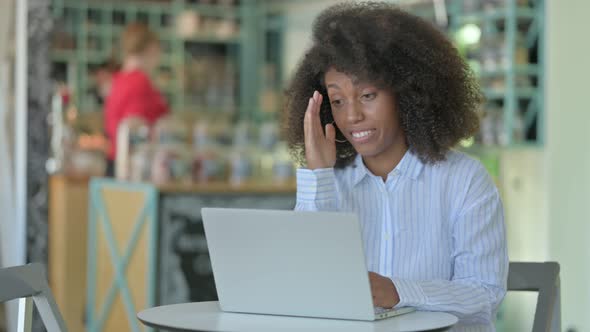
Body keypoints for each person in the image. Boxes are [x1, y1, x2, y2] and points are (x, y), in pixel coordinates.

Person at [284, 3, 508, 331]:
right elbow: (302, 287)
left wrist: (398, 291)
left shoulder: (464, 180)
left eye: (368, 95)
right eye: (338, 101)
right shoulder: (332, 183)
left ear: (407, 93)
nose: (352, 116)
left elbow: (484, 295)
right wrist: (318, 175)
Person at [104, 22, 169, 176]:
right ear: (150, 49)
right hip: (133, 167)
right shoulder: (140, 82)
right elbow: (135, 127)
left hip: (116, 162)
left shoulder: (119, 79)